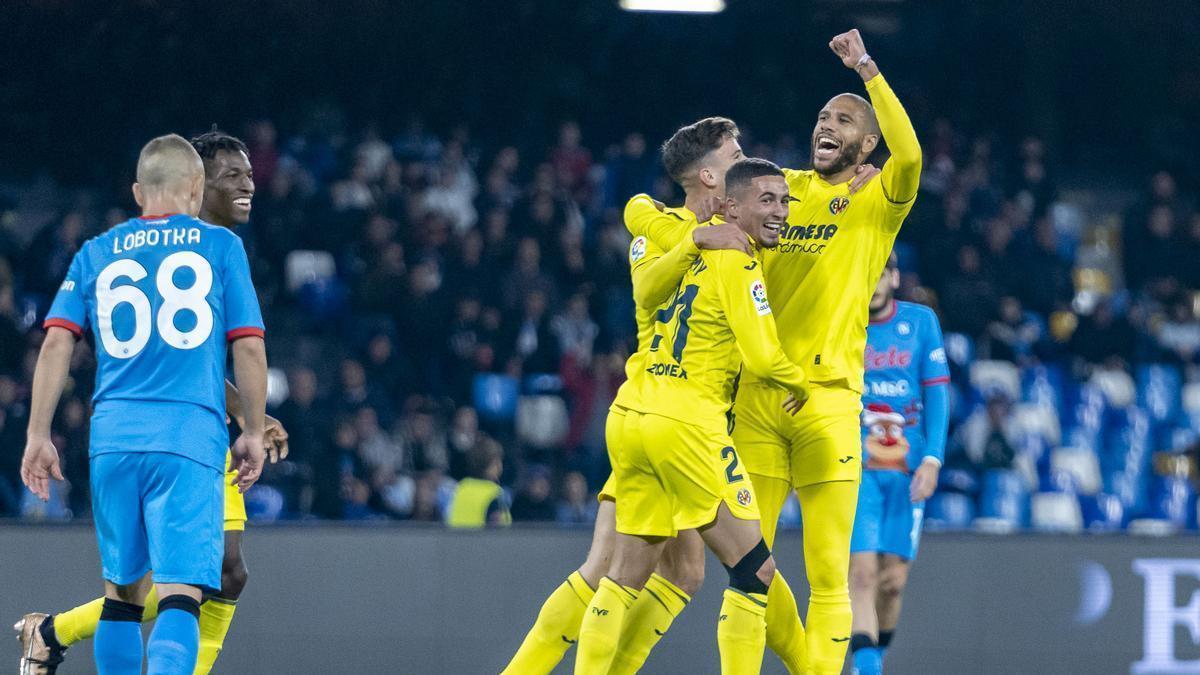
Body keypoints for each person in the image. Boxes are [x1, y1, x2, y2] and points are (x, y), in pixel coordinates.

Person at [631, 28, 921, 674]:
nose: (827, 123)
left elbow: (912, 152)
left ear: (867, 144)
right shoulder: (776, 189)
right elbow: (700, 184)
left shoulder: (877, 201)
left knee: (828, 573)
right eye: (822, 115)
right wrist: (645, 215)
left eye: (844, 120)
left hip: (828, 401)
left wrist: (866, 70)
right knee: (749, 570)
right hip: (758, 400)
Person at [15, 128, 290, 675]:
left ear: (139, 193)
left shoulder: (95, 251)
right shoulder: (219, 248)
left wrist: (37, 434)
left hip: (113, 439)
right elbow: (249, 347)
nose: (247, 185)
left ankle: (50, 635)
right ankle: (52, 633)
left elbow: (56, 341)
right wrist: (253, 429)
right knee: (182, 596)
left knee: (125, 596)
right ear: (196, 185)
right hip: (188, 440)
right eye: (232, 174)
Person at [575, 158, 812, 675]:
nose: (780, 211)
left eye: (784, 200)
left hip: (634, 413)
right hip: (687, 425)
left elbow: (639, 214)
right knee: (755, 572)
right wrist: (800, 383)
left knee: (622, 577)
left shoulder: (689, 246)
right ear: (730, 205)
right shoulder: (738, 258)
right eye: (766, 200)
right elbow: (763, 356)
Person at [847, 254, 949, 675]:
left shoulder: (921, 322)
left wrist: (932, 459)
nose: (872, 284)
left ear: (893, 278)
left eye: (879, 274)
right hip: (857, 469)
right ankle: (867, 669)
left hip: (907, 470)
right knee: (863, 574)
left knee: (892, 583)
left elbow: (938, 395)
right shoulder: (840, 321)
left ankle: (873, 659)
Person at [446, 439, 511, 528]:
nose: (500, 466)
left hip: (454, 541)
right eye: (497, 462)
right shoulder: (494, 493)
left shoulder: (461, 487)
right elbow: (497, 530)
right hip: (482, 541)